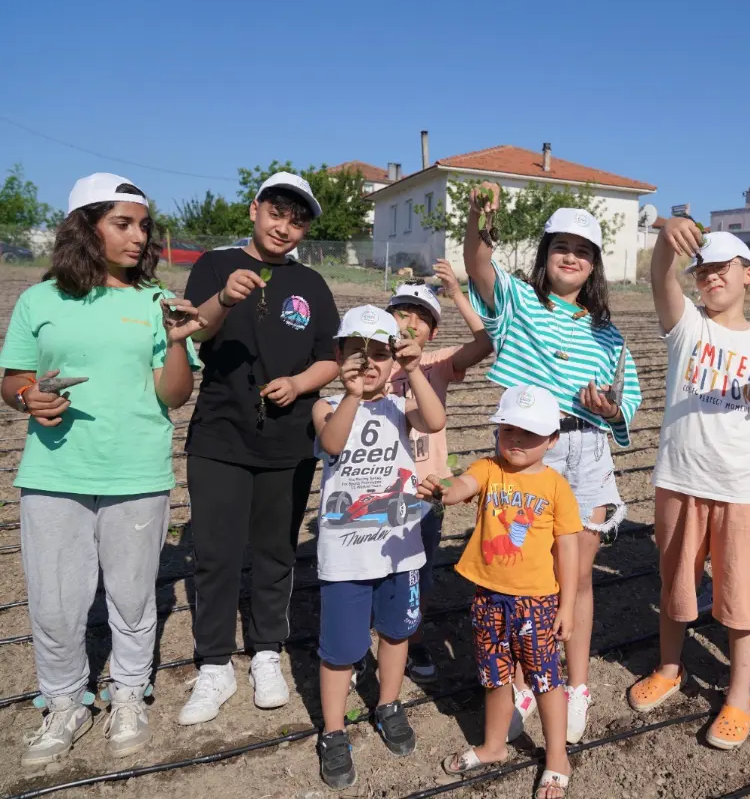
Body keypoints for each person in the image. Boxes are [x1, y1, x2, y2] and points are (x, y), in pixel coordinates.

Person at [0, 174, 203, 765]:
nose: (139, 236)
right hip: (54, 474)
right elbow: (13, 376)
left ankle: (129, 692)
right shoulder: (40, 300)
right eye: (123, 223)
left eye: (143, 225)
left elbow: (174, 397)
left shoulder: (155, 304)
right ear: (85, 228)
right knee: (56, 600)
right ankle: (63, 701)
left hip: (136, 473)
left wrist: (173, 343)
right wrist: (26, 397)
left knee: (134, 596)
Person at [465, 185, 641, 744]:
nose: (571, 257)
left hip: (586, 452)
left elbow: (625, 400)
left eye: (583, 250)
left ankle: (575, 685)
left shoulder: (607, 334)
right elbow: (478, 263)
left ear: (594, 266)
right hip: (527, 455)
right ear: (545, 255)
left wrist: (609, 408)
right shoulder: (518, 302)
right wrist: (477, 218)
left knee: (575, 577)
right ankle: (521, 681)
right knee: (523, 576)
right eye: (561, 246)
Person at [179, 172, 340, 725]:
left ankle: (267, 651)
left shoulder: (312, 285)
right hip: (220, 435)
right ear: (254, 210)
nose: (284, 227)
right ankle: (215, 663)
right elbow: (196, 332)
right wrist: (224, 298)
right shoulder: (215, 265)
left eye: (297, 221)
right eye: (277, 213)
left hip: (287, 440)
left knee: (275, 552)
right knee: (217, 554)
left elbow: (332, 357)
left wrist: (298, 385)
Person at [632, 224, 750, 750]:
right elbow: (659, 275)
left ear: (748, 275)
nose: (712, 276)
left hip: (742, 487)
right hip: (679, 480)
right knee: (675, 585)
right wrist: (665, 239)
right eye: (703, 269)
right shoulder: (687, 327)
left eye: (723, 267)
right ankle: (670, 668)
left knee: (743, 598)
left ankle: (740, 696)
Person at [419, 385, 580, 799]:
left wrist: (567, 605)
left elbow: (567, 548)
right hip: (488, 597)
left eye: (529, 433)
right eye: (509, 430)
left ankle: (557, 757)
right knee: (495, 677)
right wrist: (442, 490)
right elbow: (462, 486)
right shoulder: (489, 468)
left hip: (537, 603)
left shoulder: (556, 487)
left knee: (545, 680)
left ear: (553, 439)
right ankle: (493, 746)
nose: (517, 440)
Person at [310, 306, 446, 789]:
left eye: (380, 355)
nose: (368, 365)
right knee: (341, 650)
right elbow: (333, 442)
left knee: (396, 632)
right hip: (345, 556)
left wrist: (412, 369)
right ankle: (333, 731)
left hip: (399, 550)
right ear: (338, 355)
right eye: (356, 353)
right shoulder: (327, 405)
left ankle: (388, 703)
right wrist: (350, 393)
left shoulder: (400, 405)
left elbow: (434, 419)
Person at [387, 260, 493, 685]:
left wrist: (455, 293)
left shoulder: (437, 364)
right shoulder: (370, 360)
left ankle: (411, 638)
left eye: (423, 318)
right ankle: (374, 639)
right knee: (375, 568)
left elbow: (486, 342)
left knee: (420, 570)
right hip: (378, 488)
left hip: (425, 490)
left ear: (434, 332)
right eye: (403, 312)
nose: (411, 323)